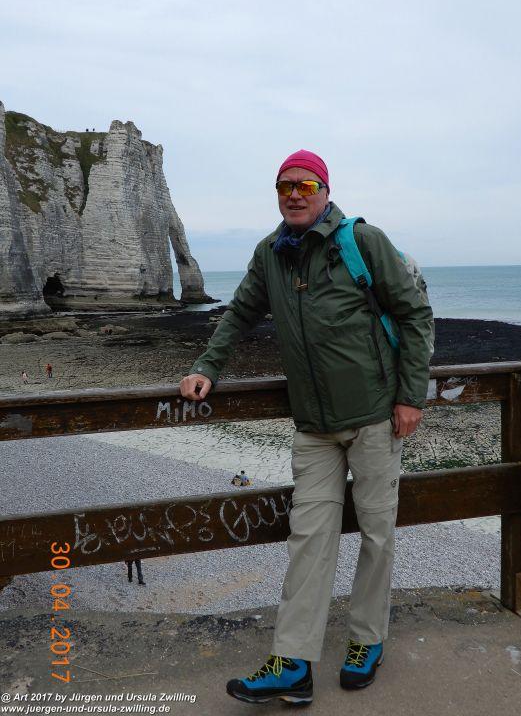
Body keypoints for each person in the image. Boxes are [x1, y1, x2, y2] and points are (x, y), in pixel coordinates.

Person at [179, 150, 434, 705]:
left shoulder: (362, 243)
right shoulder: (270, 253)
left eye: (306, 184)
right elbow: (241, 312)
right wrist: (206, 367)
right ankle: (293, 664)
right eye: (284, 185)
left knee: (376, 533)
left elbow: (414, 315)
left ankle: (367, 640)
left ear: (324, 189)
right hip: (313, 426)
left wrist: (410, 396)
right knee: (308, 540)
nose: (295, 193)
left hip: (374, 418)